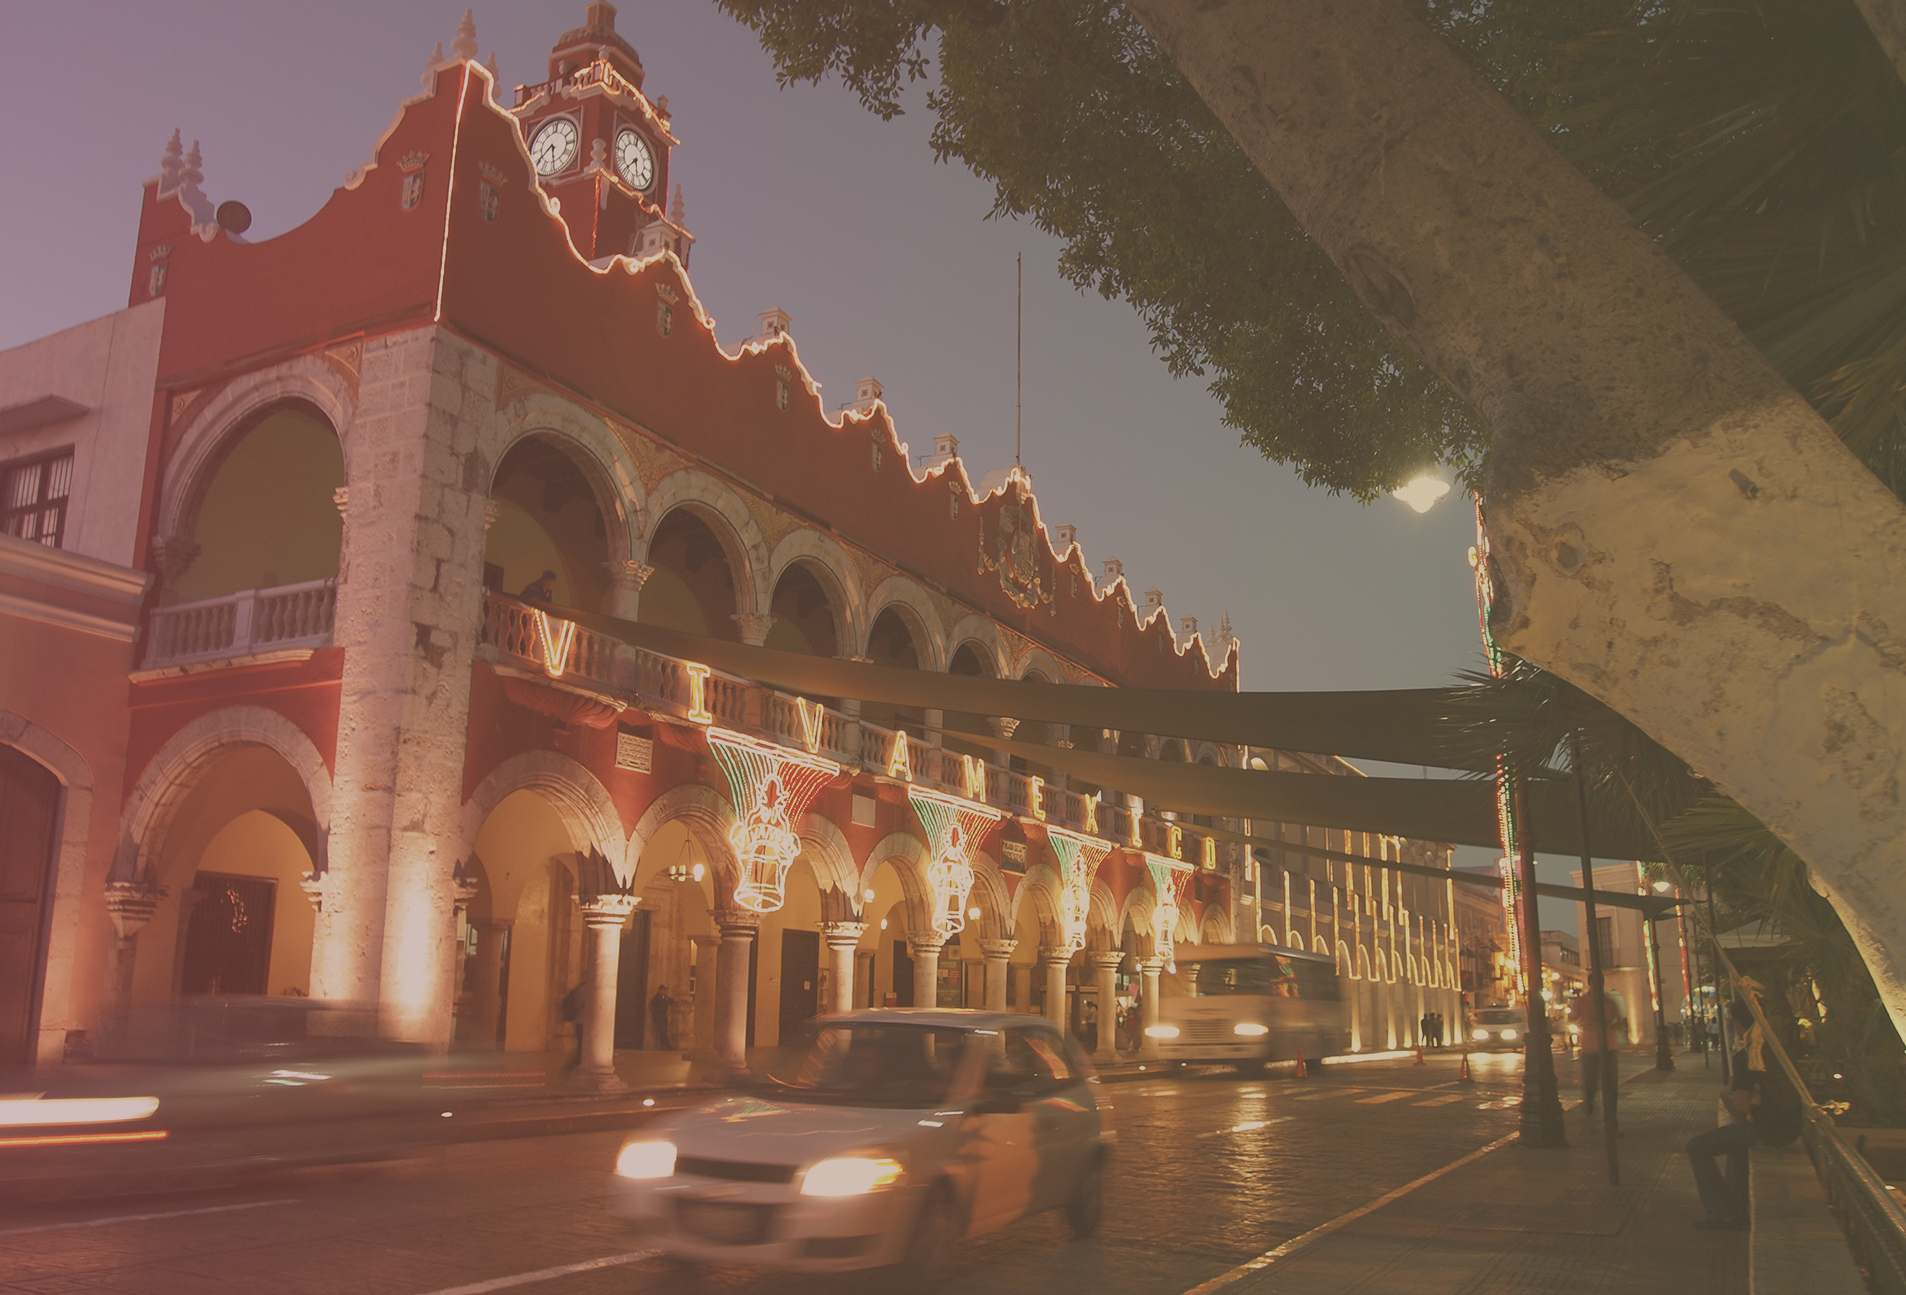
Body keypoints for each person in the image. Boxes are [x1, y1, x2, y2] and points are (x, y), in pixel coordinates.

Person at [1687, 1022, 1802, 1229]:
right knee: (1736, 1144)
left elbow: (1741, 1106)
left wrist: (1752, 1098)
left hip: (1766, 1130)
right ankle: (1735, 1209)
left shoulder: (1746, 1057)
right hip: (1792, 1127)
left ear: (1739, 1026)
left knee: (1697, 1147)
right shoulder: (1778, 1052)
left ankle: (1721, 1211)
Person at [1569, 990, 1624, 1115]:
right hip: (1590, 1047)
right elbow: (1572, 1020)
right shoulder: (1581, 1002)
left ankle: (1610, 1111)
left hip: (1608, 1046)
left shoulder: (1610, 1002)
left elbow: (1619, 1022)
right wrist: (1589, 1023)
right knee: (1591, 1082)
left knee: (1611, 1083)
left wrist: (1608, 1026)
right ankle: (1590, 1107)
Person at [557, 979, 588, 1073]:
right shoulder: (585, 989)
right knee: (582, 1048)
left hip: (583, 1023)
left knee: (582, 1048)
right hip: (582, 1023)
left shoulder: (583, 988)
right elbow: (579, 1003)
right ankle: (573, 1068)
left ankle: (571, 1068)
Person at [649, 984, 674, 1051]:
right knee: (662, 1030)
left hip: (663, 1015)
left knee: (664, 1030)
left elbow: (672, 1000)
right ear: (660, 990)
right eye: (664, 990)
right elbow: (650, 1006)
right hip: (658, 1015)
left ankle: (663, 1045)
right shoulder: (656, 997)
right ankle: (667, 1045)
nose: (665, 991)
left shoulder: (665, 998)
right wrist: (655, 1013)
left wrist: (682, 1000)